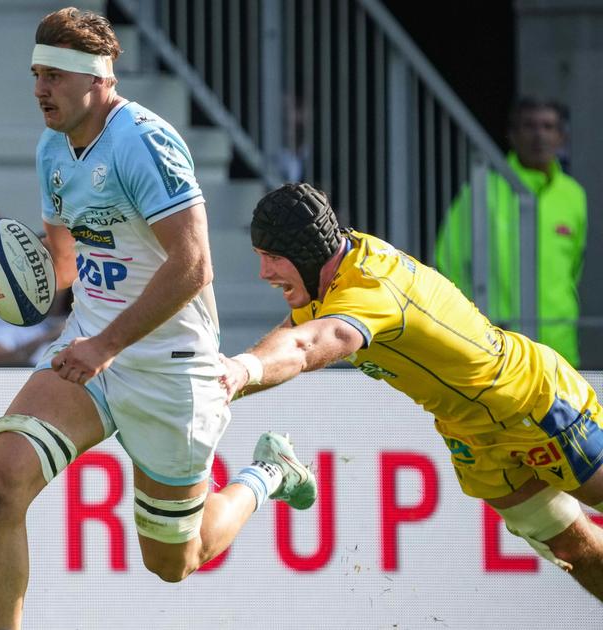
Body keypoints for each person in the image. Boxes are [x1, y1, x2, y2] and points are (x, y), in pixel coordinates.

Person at [0, 9, 317, 627]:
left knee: (175, 561)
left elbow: (194, 265)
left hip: (171, 365)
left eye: (54, 76)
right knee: (1, 484)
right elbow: (64, 266)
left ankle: (268, 474)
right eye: (36, 74)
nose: (40, 89)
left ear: (98, 79)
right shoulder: (52, 148)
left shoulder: (143, 142)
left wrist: (108, 345)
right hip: (92, 348)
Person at [220, 181, 603, 602]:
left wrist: (241, 370)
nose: (264, 272)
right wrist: (228, 383)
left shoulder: (370, 286)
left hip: (526, 401)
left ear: (306, 253)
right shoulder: (326, 277)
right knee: (573, 551)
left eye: (273, 258)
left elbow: (306, 345)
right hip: (470, 438)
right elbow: (292, 335)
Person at [435, 97, 588, 367]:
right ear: (512, 136)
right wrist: (474, 322)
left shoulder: (573, 195)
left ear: (561, 137)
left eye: (548, 126)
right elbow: (448, 262)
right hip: (498, 345)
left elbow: (574, 267)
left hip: (560, 347)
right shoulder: (482, 190)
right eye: (529, 126)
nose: (539, 135)